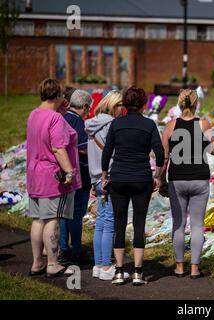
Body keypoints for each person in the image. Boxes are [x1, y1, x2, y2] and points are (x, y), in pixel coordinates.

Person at [102, 86, 164, 286]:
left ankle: (119, 271)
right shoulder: (149, 125)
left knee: (119, 224)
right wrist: (158, 176)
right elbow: (160, 154)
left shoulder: (116, 124)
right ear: (144, 104)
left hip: (118, 178)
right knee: (139, 223)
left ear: (125, 103)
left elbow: (107, 152)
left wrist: (105, 177)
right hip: (141, 179)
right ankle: (138, 272)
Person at [27, 79, 81, 278]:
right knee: (52, 219)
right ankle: (52, 263)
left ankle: (36, 263)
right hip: (52, 175)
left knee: (38, 219)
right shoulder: (55, 119)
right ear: (58, 96)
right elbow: (58, 148)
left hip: (34, 174)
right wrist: (69, 172)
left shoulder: (34, 114)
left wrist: (61, 112)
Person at [161, 89, 214, 279]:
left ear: (179, 104)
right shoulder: (203, 124)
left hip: (177, 179)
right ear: (196, 104)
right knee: (197, 225)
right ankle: (194, 268)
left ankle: (178, 267)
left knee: (179, 224)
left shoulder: (169, 126)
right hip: (199, 178)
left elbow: (164, 157)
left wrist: (160, 180)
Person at [85, 91, 124, 280]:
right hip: (108, 176)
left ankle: (99, 264)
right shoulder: (111, 125)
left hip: (96, 177)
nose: (122, 109)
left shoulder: (91, 124)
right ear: (111, 105)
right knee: (109, 223)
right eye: (119, 105)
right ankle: (106, 265)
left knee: (100, 222)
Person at [58, 90, 92, 264]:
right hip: (79, 173)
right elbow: (83, 147)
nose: (89, 113)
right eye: (89, 109)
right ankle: (77, 250)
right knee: (77, 213)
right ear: (84, 106)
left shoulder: (61, 118)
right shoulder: (78, 122)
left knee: (63, 213)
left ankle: (63, 249)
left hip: (62, 173)